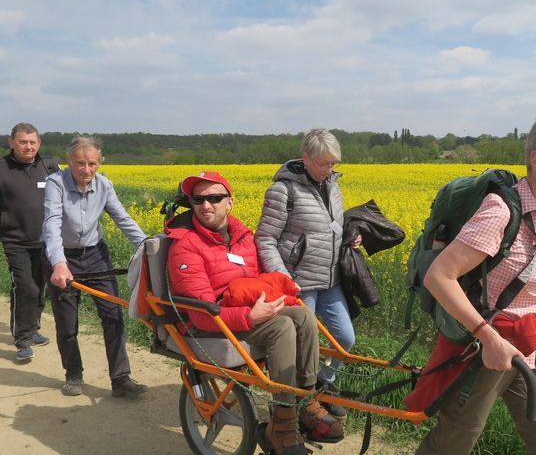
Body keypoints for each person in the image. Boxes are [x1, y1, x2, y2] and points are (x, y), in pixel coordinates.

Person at [414, 113, 536, 455]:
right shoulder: (500, 211)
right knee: (453, 444)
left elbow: (513, 278)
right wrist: (488, 338)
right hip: (485, 350)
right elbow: (440, 276)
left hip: (531, 346)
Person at [165, 171, 343, 455]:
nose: (205, 205)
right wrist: (251, 317)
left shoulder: (243, 237)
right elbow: (200, 313)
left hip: (243, 313)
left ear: (230, 202)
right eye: (197, 199)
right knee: (282, 328)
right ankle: (282, 426)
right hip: (209, 324)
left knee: (303, 315)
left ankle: (306, 400)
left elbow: (260, 281)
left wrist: (279, 299)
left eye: (214, 198)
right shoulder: (185, 246)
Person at [255, 128, 361, 420]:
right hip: (299, 283)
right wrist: (282, 278)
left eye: (333, 164)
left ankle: (323, 382)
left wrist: (349, 236)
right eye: (324, 163)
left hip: (330, 279)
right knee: (303, 347)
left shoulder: (332, 185)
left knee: (345, 339)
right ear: (306, 158)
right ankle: (302, 404)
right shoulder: (283, 190)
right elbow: (264, 239)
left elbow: (331, 225)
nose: (329, 170)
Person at [43, 136, 148, 398]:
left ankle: (121, 378)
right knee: (67, 322)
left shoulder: (104, 185)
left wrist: (150, 248)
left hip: (96, 255)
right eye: (80, 163)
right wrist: (58, 264)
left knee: (113, 315)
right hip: (63, 257)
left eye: (92, 163)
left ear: (99, 163)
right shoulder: (56, 183)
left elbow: (123, 219)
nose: (87, 170)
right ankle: (73, 374)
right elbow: (52, 225)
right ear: (69, 162)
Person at [0, 123, 59, 361]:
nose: (28, 146)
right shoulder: (2, 168)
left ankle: (33, 326)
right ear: (11, 142)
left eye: (32, 142)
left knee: (39, 287)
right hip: (15, 240)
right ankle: (22, 338)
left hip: (46, 240)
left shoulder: (49, 166)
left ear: (39, 144)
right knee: (25, 287)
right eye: (23, 141)